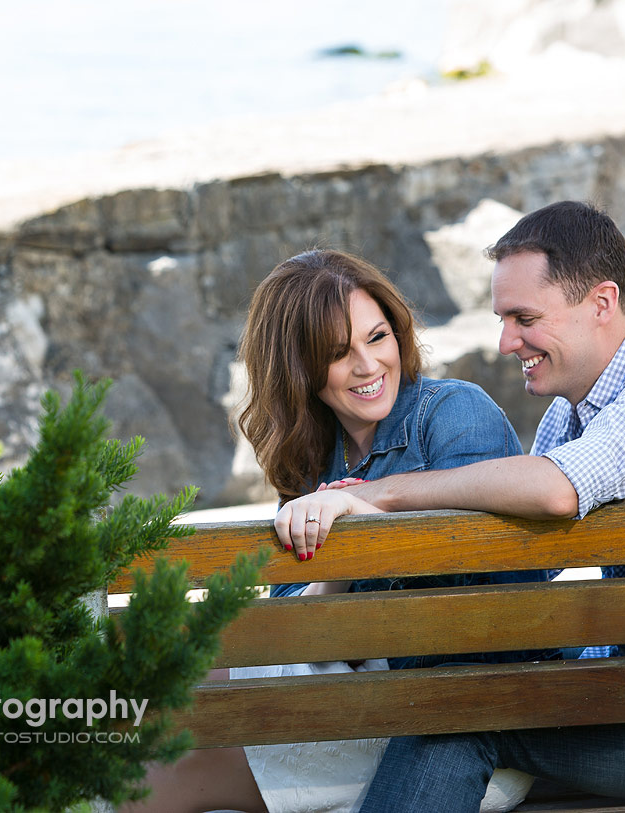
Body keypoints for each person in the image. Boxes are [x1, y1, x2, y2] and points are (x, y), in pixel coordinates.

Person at [278, 202, 625, 810]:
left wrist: (379, 495)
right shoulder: (568, 417)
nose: (505, 342)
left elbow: (557, 489)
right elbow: (525, 560)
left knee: (461, 713)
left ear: (602, 302)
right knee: (462, 697)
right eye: (503, 320)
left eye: (523, 318)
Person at [122, 249, 553, 813]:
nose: (368, 366)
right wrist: (338, 572)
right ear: (298, 369)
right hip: (350, 700)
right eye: (337, 353)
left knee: (161, 762)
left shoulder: (453, 414)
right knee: (153, 713)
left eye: (377, 338)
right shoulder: (312, 459)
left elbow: (491, 607)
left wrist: (376, 539)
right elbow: (298, 624)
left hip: (452, 731)